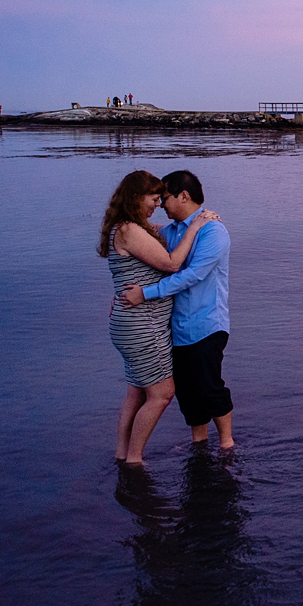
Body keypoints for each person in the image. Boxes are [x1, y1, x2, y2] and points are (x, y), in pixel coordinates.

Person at [100, 171, 217, 464]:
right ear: (137, 198)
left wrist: (183, 223)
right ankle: (135, 460)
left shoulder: (127, 228)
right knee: (162, 394)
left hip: (131, 323)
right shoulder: (129, 230)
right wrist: (197, 224)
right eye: (154, 199)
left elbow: (155, 241)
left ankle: (122, 455)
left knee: (137, 394)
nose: (157, 205)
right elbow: (171, 263)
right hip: (143, 326)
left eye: (160, 199)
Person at [122, 170, 234, 449]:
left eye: (165, 198)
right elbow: (143, 238)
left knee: (210, 388)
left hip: (207, 325)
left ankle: (227, 445)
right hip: (176, 329)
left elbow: (192, 275)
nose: (160, 204)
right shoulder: (170, 232)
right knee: (187, 393)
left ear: (184, 196)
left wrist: (144, 295)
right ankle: (199, 446)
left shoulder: (213, 231)